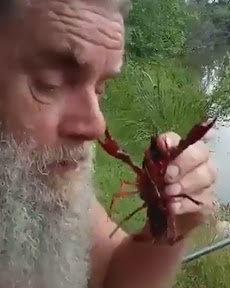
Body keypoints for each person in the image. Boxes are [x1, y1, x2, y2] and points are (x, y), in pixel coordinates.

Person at [0, 1, 216, 288]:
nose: (96, 125)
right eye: (49, 83)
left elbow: (111, 275)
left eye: (100, 88)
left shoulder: (35, 183)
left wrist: (172, 227)